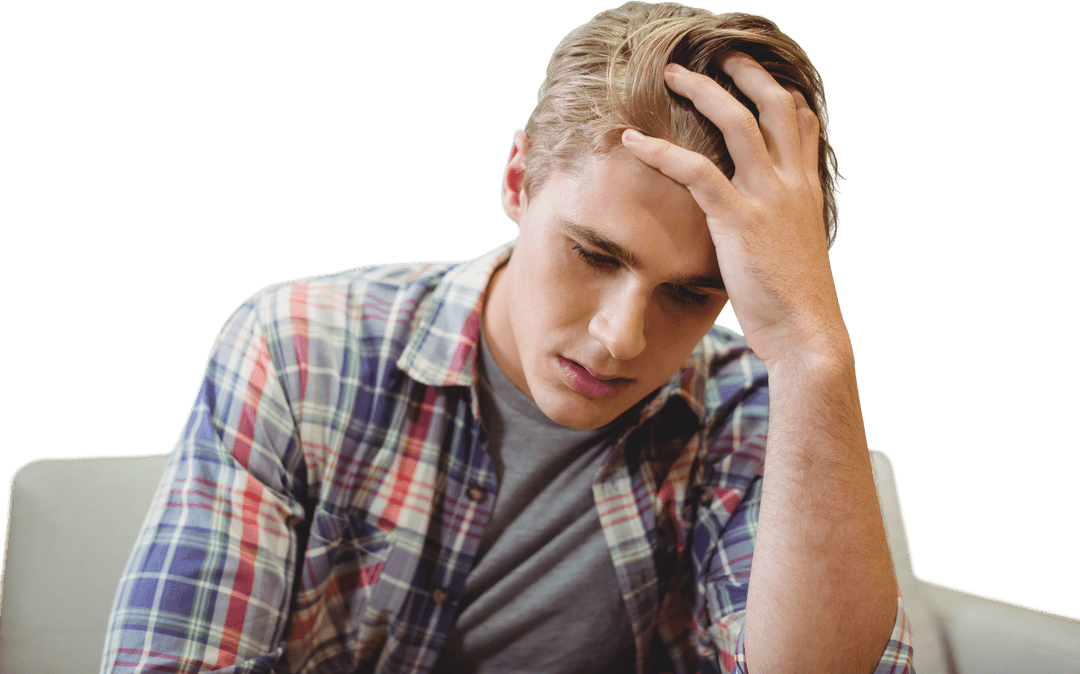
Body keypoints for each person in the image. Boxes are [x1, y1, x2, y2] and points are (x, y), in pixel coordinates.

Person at [100, 2, 915, 673]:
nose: (620, 338)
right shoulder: (298, 352)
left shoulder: (752, 410)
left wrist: (810, 350)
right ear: (518, 179)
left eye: (693, 294)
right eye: (594, 254)